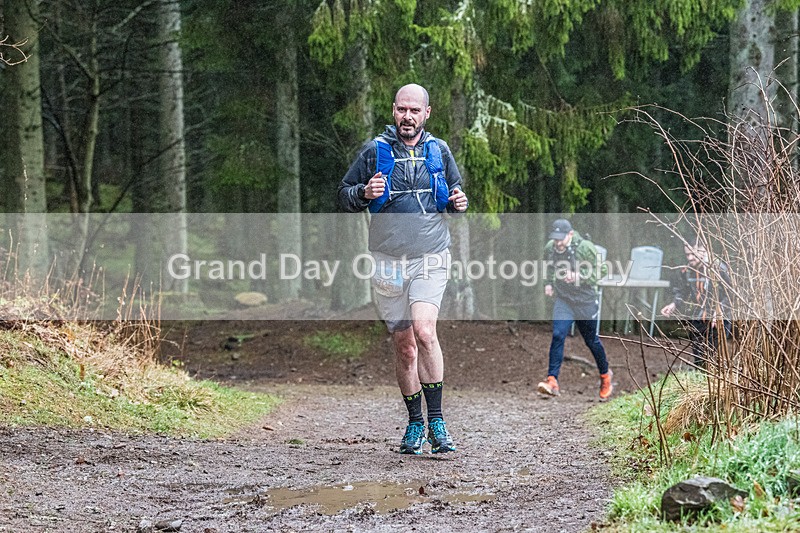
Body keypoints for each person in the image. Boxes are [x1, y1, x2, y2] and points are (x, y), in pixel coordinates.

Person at [338, 83, 468, 454]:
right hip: (387, 261)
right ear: (393, 111)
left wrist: (460, 202)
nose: (407, 117)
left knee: (425, 332)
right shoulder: (373, 151)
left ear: (427, 113)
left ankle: (437, 423)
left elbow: (456, 196)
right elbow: (343, 195)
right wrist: (363, 193)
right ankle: (414, 423)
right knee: (405, 345)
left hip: (431, 254)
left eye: (415, 110)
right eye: (401, 110)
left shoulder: (439, 150)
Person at [537, 219, 613, 399]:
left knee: (591, 341)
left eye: (560, 239)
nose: (557, 243)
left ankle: (605, 375)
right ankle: (552, 380)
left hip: (585, 300)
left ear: (570, 235)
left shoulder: (585, 247)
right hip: (564, 299)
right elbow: (547, 265)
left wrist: (580, 276)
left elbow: (602, 270)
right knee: (558, 334)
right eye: (555, 239)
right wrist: (548, 283)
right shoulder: (550, 247)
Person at [660, 237, 732, 367]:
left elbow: (731, 294)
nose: (690, 258)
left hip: (719, 319)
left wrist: (719, 310)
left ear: (704, 251)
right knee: (699, 358)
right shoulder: (687, 270)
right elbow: (682, 290)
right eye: (687, 254)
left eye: (693, 254)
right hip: (698, 317)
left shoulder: (718, 268)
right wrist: (674, 304)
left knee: (713, 357)